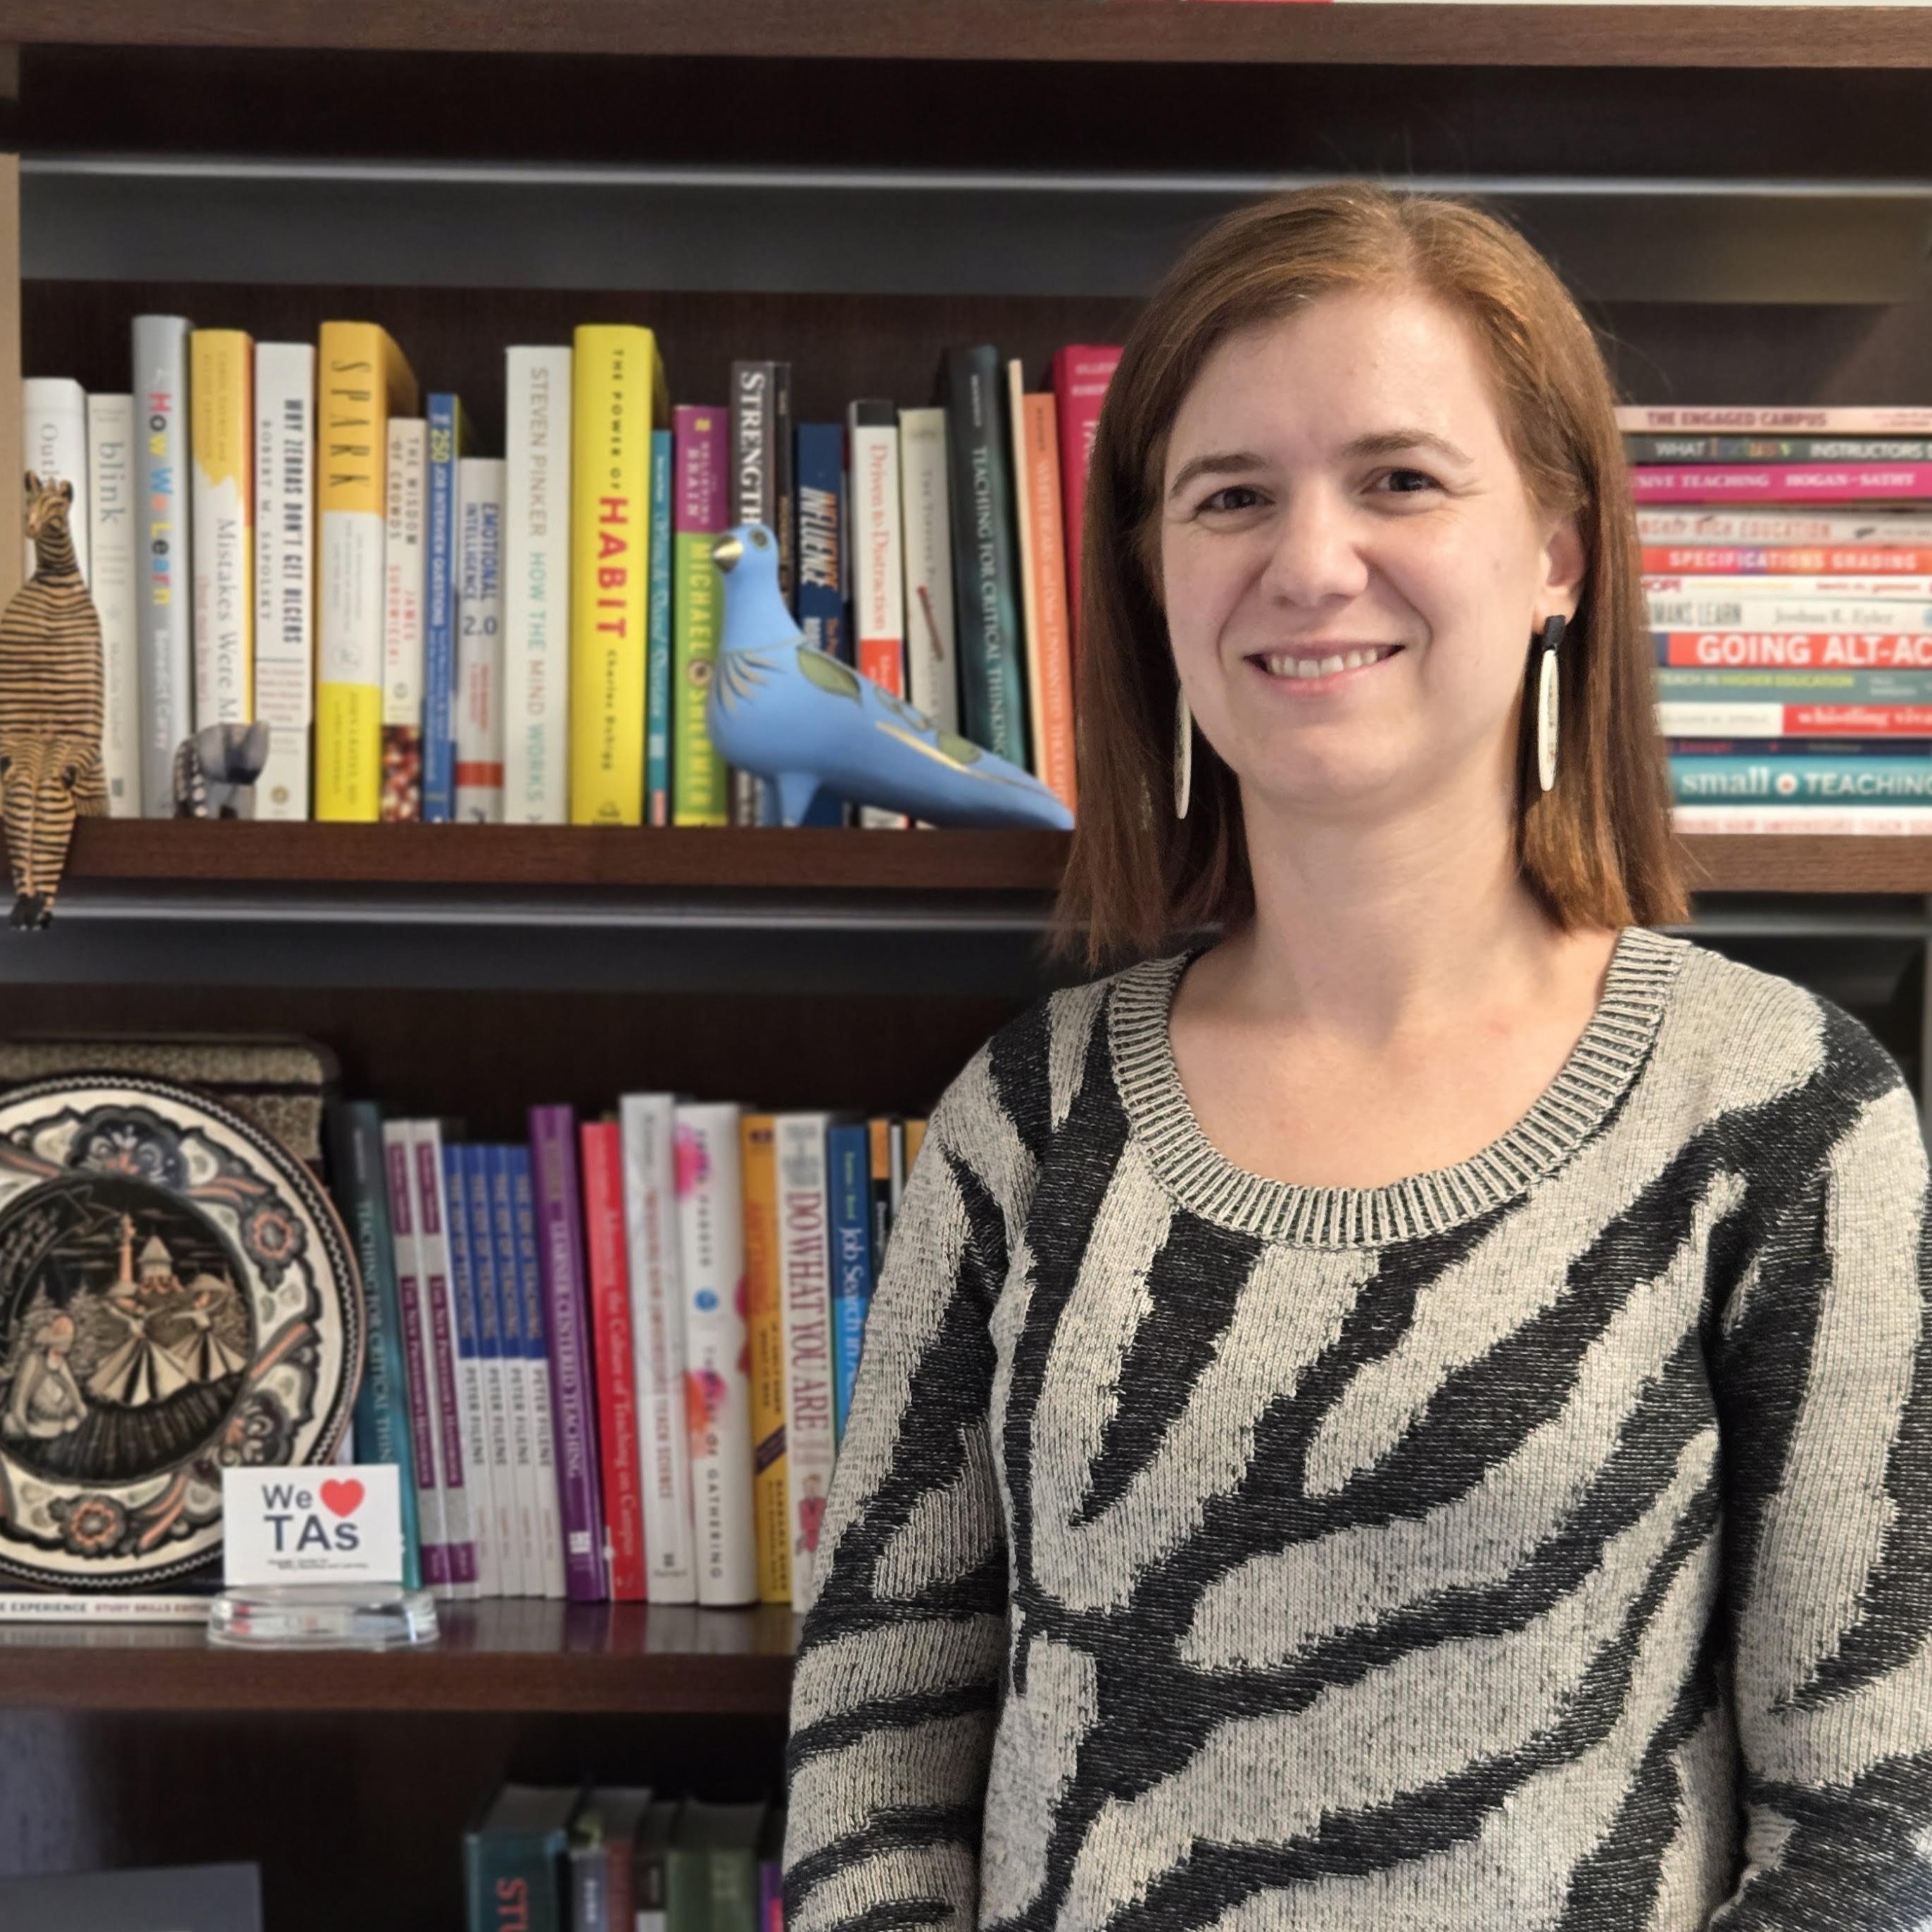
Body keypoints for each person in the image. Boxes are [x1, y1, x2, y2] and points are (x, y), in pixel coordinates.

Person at [779, 185, 1932, 1932]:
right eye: (1227, 495)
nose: (1307, 562)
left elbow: (1873, 1833)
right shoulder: (1024, 1121)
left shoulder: (1776, 1110)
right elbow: (872, 1748)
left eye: (1398, 478)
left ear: (1557, 550)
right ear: (1155, 578)